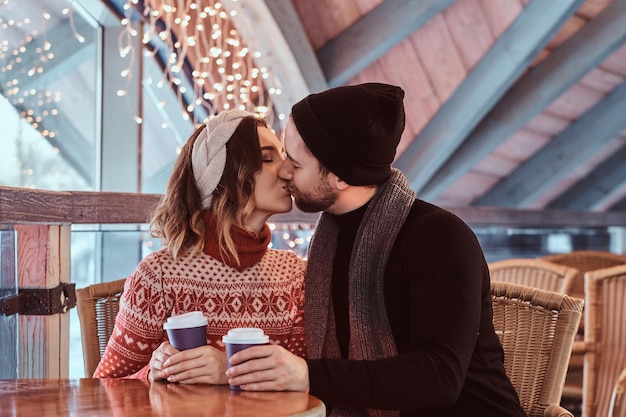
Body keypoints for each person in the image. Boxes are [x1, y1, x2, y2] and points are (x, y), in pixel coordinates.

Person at [225, 83, 527, 416]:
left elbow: (440, 377)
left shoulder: (439, 237)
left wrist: (309, 374)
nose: (283, 171)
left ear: (339, 176)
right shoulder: (332, 237)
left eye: (295, 164)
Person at [94, 110, 306, 384]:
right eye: (267, 158)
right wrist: (153, 373)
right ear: (225, 176)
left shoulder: (296, 277)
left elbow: (307, 385)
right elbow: (105, 387)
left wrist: (228, 371)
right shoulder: (158, 276)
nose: (288, 170)